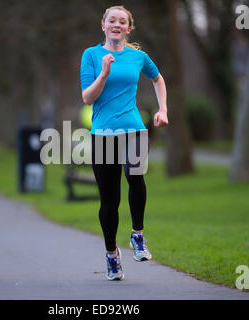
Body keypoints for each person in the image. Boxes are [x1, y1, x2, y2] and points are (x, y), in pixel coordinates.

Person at [80, 6, 168, 281]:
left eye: (122, 22)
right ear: (103, 25)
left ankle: (137, 235)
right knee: (110, 201)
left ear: (129, 28)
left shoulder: (138, 57)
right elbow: (87, 98)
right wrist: (104, 73)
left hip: (134, 129)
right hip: (104, 134)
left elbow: (158, 79)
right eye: (112, 20)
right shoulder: (91, 55)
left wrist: (162, 109)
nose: (116, 25)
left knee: (136, 176)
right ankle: (111, 255)